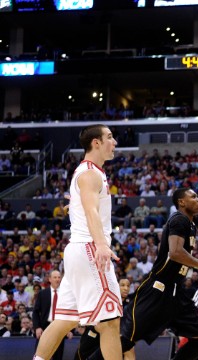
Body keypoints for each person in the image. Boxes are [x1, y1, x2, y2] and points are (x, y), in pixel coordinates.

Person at [34, 124, 122, 360]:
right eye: (110, 138)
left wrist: (73, 205)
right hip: (89, 249)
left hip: (76, 251)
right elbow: (91, 211)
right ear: (96, 142)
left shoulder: (87, 172)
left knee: (64, 320)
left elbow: (84, 206)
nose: (114, 142)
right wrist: (102, 245)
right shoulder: (90, 174)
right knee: (111, 322)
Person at [108, 188, 198, 360]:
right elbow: (176, 252)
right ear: (182, 202)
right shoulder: (179, 220)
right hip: (158, 289)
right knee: (126, 341)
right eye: (193, 197)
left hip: (176, 292)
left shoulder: (191, 224)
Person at [74, 278, 133, 360]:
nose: (125, 288)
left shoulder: (130, 304)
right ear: (116, 286)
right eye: (122, 285)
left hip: (112, 337)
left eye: (128, 286)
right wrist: (80, 324)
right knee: (81, 354)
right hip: (94, 331)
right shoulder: (107, 297)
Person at [32, 270, 69, 360]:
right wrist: (37, 327)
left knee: (58, 356)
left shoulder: (66, 294)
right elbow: (35, 312)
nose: (57, 279)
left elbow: (69, 312)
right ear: (50, 279)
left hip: (59, 327)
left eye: (59, 277)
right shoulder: (42, 293)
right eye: (55, 277)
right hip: (44, 327)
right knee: (40, 355)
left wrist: (68, 329)